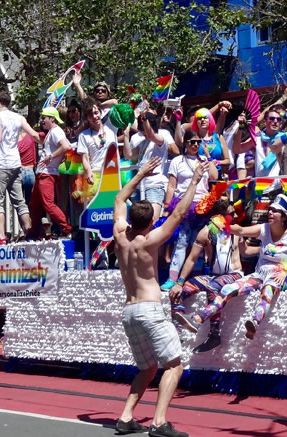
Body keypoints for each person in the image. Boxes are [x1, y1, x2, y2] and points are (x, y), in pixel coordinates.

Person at [113, 156, 205, 437]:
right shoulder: (149, 241)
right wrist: (195, 181)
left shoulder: (120, 235)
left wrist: (140, 174)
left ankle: (126, 417)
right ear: (151, 221)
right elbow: (178, 214)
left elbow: (119, 198)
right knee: (174, 366)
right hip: (149, 310)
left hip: (129, 312)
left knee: (148, 368)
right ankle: (159, 422)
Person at [201, 194, 287, 339]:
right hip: (259, 274)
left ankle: (254, 323)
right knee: (228, 288)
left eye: (275, 210)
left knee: (267, 292)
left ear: (284, 217)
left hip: (277, 275)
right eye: (270, 209)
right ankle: (200, 317)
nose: (270, 212)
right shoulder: (264, 228)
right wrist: (225, 225)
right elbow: (240, 230)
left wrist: (285, 272)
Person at [169, 198, 244, 352]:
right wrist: (179, 282)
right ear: (220, 216)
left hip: (234, 274)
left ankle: (214, 335)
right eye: (231, 214)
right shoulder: (205, 232)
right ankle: (177, 334)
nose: (235, 216)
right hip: (213, 275)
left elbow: (246, 250)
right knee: (178, 292)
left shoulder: (235, 230)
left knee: (213, 287)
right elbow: (191, 259)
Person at [161, 130, 218, 290]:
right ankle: (172, 279)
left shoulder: (205, 160)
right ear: (185, 143)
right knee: (181, 242)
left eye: (198, 142)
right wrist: (167, 208)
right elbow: (171, 186)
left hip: (202, 206)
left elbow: (214, 177)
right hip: (183, 205)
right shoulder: (177, 161)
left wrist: (209, 157)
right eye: (192, 142)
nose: (195, 145)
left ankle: (194, 279)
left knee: (198, 244)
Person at [0, 90, 38, 245]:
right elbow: (34, 135)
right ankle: (29, 231)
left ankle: (2, 235)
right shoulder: (18, 117)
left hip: (2, 164)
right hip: (16, 164)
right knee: (19, 201)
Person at [123, 112, 179, 223]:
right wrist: (125, 135)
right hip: (139, 185)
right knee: (138, 222)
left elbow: (151, 135)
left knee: (152, 221)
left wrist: (145, 120)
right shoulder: (142, 141)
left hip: (154, 185)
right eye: (142, 130)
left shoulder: (161, 139)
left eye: (144, 130)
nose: (143, 133)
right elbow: (128, 155)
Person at [27, 107, 73, 240]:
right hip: (42, 174)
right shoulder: (52, 132)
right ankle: (35, 233)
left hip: (47, 174)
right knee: (34, 205)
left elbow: (66, 146)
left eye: (44, 118)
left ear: (52, 119)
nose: (42, 121)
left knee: (48, 204)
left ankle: (67, 229)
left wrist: (51, 157)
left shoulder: (56, 131)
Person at [76, 97, 118, 203]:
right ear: (87, 118)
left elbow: (114, 102)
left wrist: (98, 105)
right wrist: (88, 171)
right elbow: (85, 158)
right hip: (96, 175)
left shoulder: (111, 127)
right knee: (97, 208)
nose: (95, 117)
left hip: (112, 174)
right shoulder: (83, 135)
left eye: (96, 113)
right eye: (91, 115)